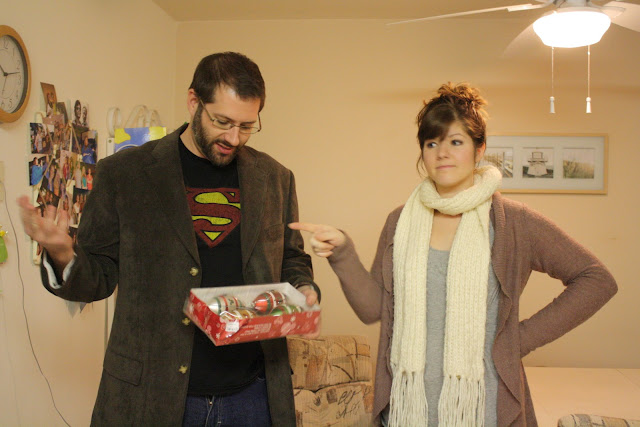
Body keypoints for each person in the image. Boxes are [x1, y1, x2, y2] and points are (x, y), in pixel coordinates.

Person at [18, 52, 320, 426]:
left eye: (246, 126)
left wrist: (304, 288)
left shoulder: (276, 177)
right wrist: (63, 253)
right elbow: (98, 278)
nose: (233, 137)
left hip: (253, 395)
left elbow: (291, 257)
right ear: (194, 101)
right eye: (222, 121)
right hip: (152, 394)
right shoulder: (124, 173)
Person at [290, 83, 617, 426]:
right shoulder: (400, 221)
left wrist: (519, 340)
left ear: (479, 149)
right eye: (432, 143)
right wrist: (342, 252)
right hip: (407, 407)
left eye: (456, 142)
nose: (442, 153)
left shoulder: (513, 222)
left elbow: (596, 279)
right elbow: (374, 309)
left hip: (484, 409)